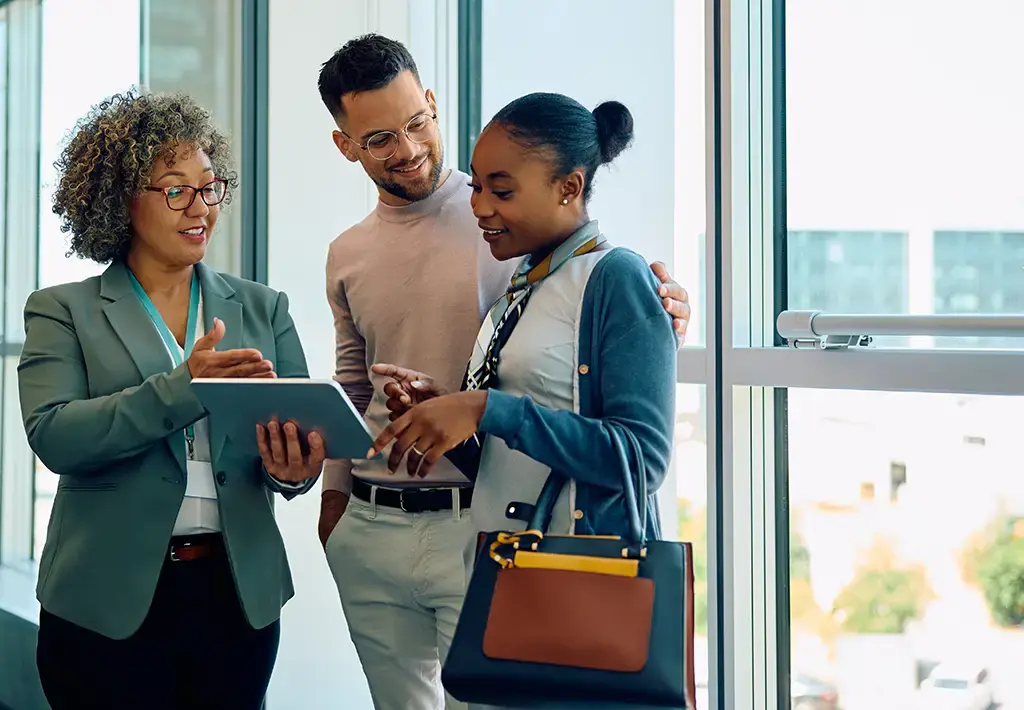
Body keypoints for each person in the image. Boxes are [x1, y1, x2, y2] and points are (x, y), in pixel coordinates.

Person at [316, 34, 690, 710]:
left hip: (513, 542)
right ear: (347, 145)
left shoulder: (530, 246)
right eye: (379, 139)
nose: (407, 148)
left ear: (433, 105)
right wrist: (432, 416)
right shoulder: (518, 270)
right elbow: (361, 382)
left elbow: (634, 434)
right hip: (408, 524)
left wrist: (482, 408)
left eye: (417, 123)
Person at [18, 89, 325, 710]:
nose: (201, 208)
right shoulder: (63, 309)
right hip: (104, 600)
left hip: (237, 597)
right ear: (120, 198)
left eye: (209, 188)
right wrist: (185, 387)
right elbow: (56, 437)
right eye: (175, 189)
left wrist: (295, 469)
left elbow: (295, 438)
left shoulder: (263, 307)